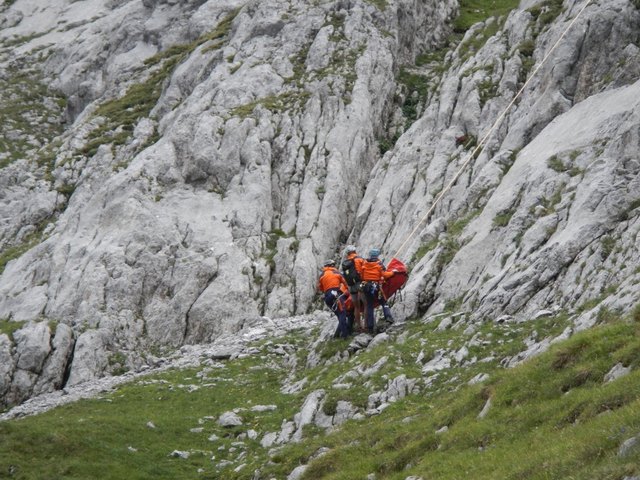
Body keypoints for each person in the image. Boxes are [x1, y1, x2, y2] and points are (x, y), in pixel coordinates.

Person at [360, 248, 396, 334]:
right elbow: (385, 275)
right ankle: (388, 317)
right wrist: (393, 272)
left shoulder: (364, 263)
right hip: (376, 286)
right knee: (383, 302)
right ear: (377, 255)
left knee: (369, 306)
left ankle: (370, 327)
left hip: (366, 287)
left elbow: (361, 275)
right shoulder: (379, 264)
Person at [317, 260, 350, 338]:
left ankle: (337, 335)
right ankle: (345, 335)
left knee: (339, 314)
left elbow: (320, 288)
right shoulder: (336, 273)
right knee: (342, 314)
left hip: (327, 296)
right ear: (332, 265)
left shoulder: (322, 275)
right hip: (336, 294)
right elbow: (345, 282)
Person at [341, 245, 365, 332]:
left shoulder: (346, 262)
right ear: (355, 251)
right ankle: (366, 326)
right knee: (366, 305)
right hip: (360, 284)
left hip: (351, 287)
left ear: (347, 253)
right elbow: (364, 270)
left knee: (356, 307)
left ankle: (359, 326)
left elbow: (344, 276)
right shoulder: (360, 259)